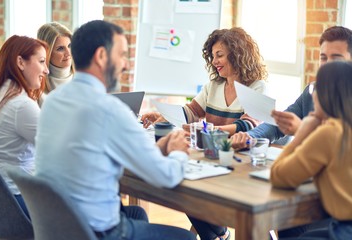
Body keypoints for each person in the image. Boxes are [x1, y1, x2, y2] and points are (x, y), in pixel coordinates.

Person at [34, 20, 196, 240]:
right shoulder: (109, 110)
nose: (125, 65)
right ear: (101, 56)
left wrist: (157, 149)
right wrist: (177, 151)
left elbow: (94, 156)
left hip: (57, 227)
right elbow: (166, 177)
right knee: (184, 238)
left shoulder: (53, 101)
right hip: (98, 232)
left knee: (136, 213)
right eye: (121, 55)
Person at [231, 26, 352, 150]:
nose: (327, 64)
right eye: (323, 58)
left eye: (336, 58)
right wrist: (249, 136)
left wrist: (301, 130)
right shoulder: (312, 91)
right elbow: (278, 124)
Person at [270, 60, 352, 240]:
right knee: (291, 229)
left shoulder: (329, 132)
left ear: (325, 94)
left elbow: (278, 176)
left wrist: (301, 133)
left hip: (344, 230)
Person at [142, 27, 268, 136]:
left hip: (242, 154)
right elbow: (191, 112)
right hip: (211, 151)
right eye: (213, 56)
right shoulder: (213, 86)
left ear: (237, 55)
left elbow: (248, 125)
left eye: (219, 55)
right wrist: (163, 116)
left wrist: (209, 130)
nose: (214, 61)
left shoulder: (258, 87)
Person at [0, 35, 49, 217]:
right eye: (41, 62)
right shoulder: (21, 105)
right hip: (17, 203)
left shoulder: (2, 93)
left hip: (2, 202)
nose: (46, 70)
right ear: (20, 62)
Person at [37, 22, 74, 105]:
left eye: (70, 46)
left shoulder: (84, 79)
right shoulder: (36, 88)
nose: (68, 53)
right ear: (47, 53)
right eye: (60, 48)